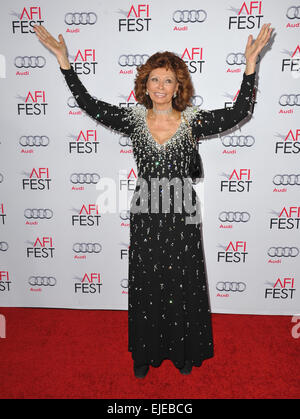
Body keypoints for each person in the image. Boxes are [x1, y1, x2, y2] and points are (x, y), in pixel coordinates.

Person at [33, 23, 273, 379]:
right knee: (147, 279)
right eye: (154, 80)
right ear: (145, 84)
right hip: (145, 209)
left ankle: (183, 351)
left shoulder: (192, 122)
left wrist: (251, 65)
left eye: (168, 81)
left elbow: (238, 112)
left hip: (182, 210)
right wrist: (64, 62)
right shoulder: (133, 119)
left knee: (182, 280)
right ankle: (144, 354)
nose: (160, 87)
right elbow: (90, 105)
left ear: (179, 87)